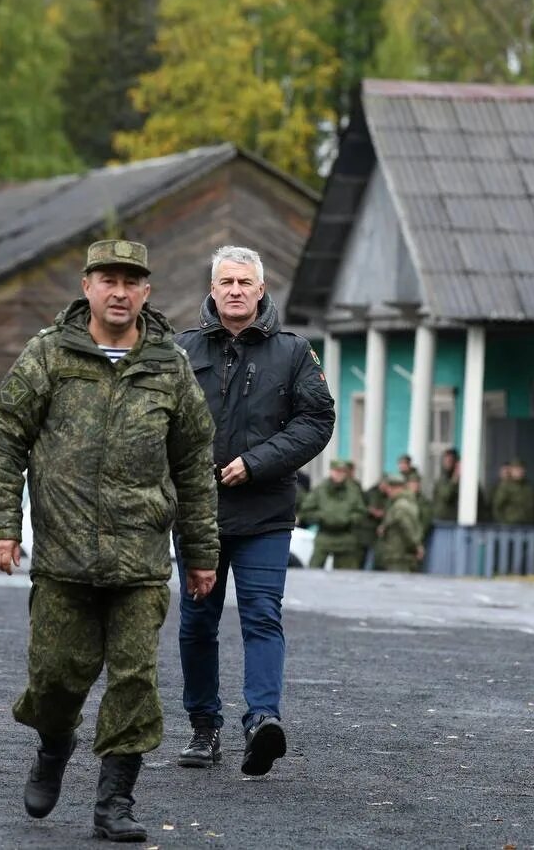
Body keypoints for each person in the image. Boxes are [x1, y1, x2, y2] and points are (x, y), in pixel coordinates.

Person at [0, 240, 219, 843]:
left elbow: (193, 461)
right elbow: (5, 436)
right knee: (57, 676)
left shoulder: (169, 364)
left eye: (131, 282)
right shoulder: (50, 354)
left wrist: (201, 553)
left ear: (146, 292)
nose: (119, 291)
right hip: (63, 555)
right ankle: (54, 745)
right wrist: (4, 525)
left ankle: (115, 802)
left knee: (135, 678)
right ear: (87, 285)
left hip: (139, 557)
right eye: (108, 279)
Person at [174, 244, 334, 777]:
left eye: (246, 282)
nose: (236, 290)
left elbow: (316, 421)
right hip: (199, 513)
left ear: (261, 290)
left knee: (263, 615)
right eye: (227, 282)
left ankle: (262, 720)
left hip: (265, 511)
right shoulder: (180, 350)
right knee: (198, 622)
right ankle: (204, 726)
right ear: (213, 290)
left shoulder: (293, 353)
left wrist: (256, 463)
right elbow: (156, 421)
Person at [297, 459, 366, 570]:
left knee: (347, 574)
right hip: (324, 535)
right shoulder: (320, 490)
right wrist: (321, 517)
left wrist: (348, 519)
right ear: (331, 471)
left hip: (345, 537)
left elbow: (361, 512)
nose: (339, 474)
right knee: (313, 570)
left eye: (342, 472)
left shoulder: (353, 490)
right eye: (336, 471)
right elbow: (306, 511)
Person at [377, 474, 424, 572]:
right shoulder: (407, 502)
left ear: (397, 488)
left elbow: (407, 528)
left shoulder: (400, 506)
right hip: (400, 555)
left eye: (389, 488)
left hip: (399, 555)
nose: (387, 491)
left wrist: (416, 546)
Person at [492, 458, 534, 525]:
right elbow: (497, 507)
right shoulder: (505, 486)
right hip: (511, 525)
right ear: (511, 470)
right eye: (516, 469)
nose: (519, 471)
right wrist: (503, 523)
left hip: (528, 524)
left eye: (521, 469)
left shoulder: (529, 487)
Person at [432, 448, 460, 523]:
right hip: (441, 520)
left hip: (456, 520)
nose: (447, 463)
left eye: (450, 461)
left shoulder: (464, 481)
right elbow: (446, 495)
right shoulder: (442, 480)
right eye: (445, 460)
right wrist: (455, 478)